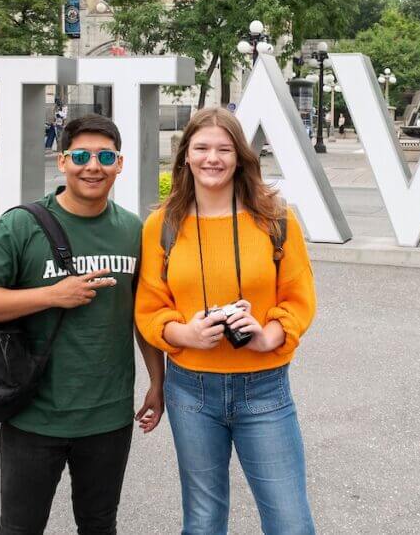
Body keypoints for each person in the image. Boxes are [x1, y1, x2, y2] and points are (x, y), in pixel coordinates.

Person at [0, 114, 164, 534]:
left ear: (120, 164)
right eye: (81, 155)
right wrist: (51, 295)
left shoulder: (132, 231)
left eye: (106, 156)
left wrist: (158, 383)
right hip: (34, 416)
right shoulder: (21, 225)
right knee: (21, 527)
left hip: (108, 417)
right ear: (62, 161)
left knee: (100, 524)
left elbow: (143, 315)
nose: (93, 166)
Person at [135, 107, 317, 535]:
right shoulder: (162, 225)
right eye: (201, 148)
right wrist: (187, 333)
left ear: (240, 157)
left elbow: (299, 295)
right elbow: (149, 306)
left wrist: (268, 335)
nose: (211, 158)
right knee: (202, 522)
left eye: (224, 148)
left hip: (264, 387)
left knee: (290, 521)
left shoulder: (276, 219)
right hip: (190, 390)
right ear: (184, 156)